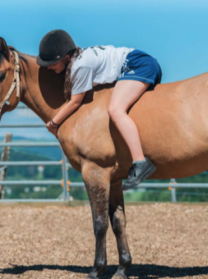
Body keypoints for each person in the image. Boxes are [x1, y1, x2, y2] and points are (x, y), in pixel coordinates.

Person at [37, 30, 162, 190]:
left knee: (115, 110)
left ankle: (140, 162)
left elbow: (75, 101)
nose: (49, 68)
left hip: (138, 64)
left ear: (65, 58)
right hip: (137, 62)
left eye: (51, 64)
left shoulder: (81, 65)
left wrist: (53, 123)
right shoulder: (80, 59)